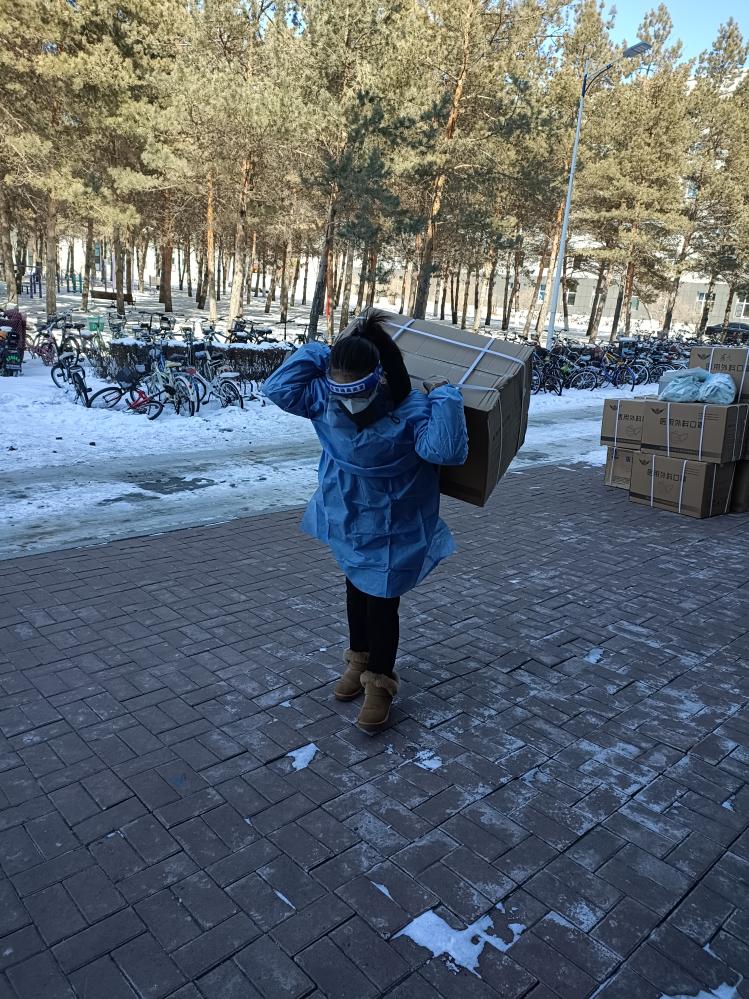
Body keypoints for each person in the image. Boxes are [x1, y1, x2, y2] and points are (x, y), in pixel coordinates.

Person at [263, 310, 468, 731]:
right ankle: (358, 661)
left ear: (380, 377)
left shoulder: (411, 411)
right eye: (341, 389)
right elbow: (277, 388)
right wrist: (329, 353)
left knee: (383, 601)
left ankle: (380, 681)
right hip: (350, 517)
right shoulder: (324, 398)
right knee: (356, 589)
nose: (349, 400)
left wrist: (444, 396)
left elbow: (447, 451)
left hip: (394, 525)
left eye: (357, 389)